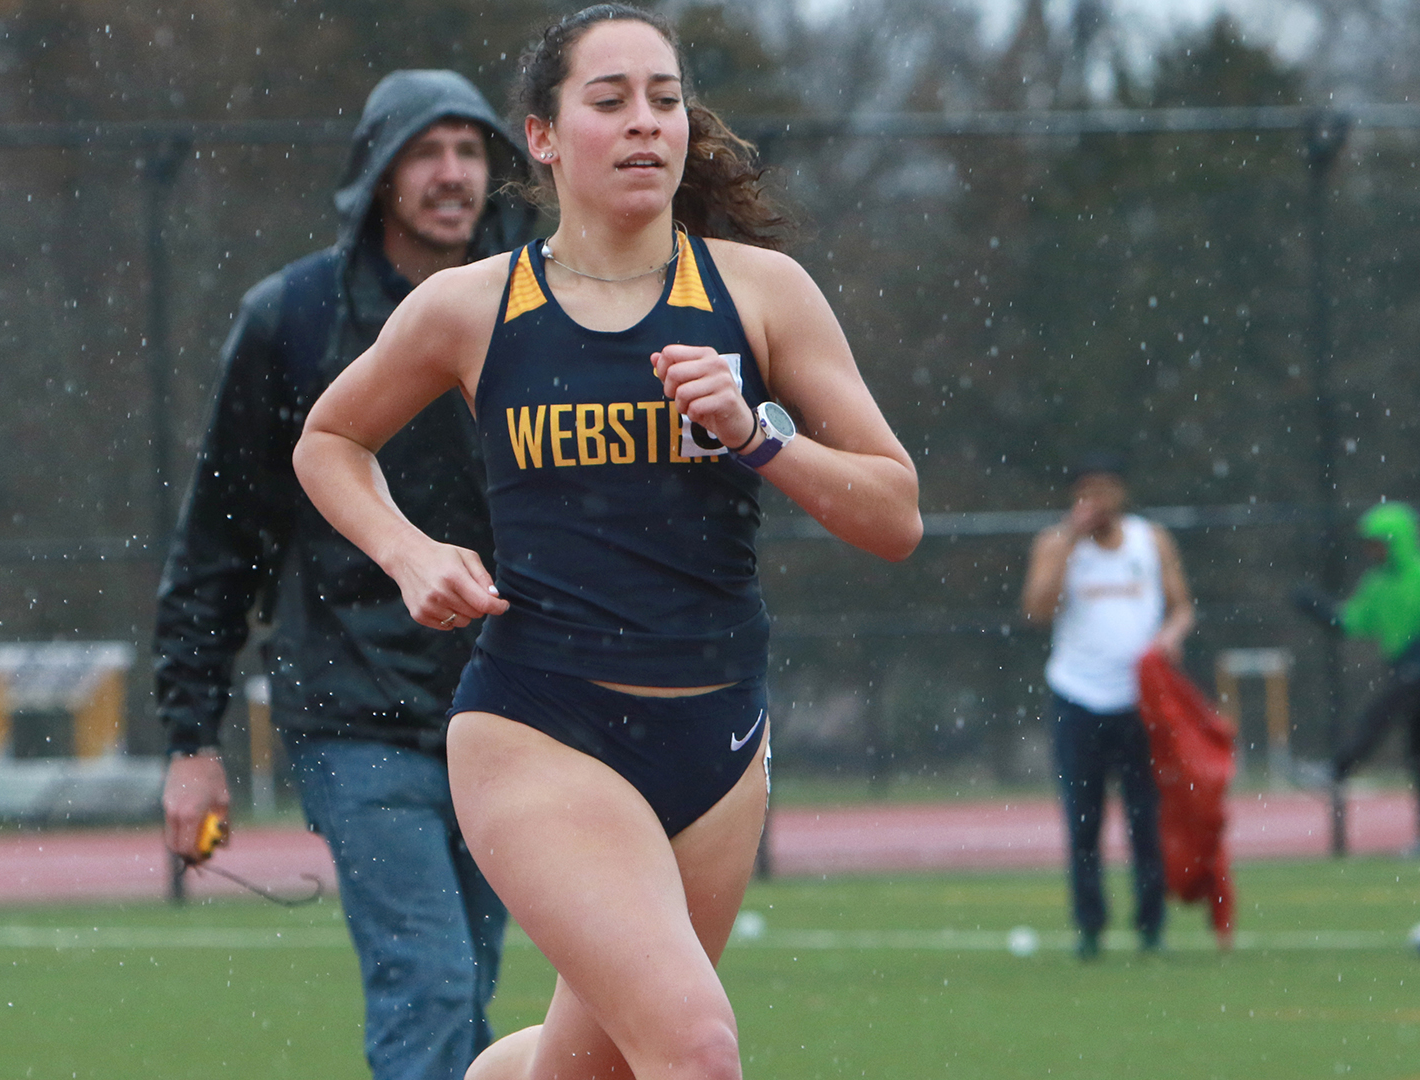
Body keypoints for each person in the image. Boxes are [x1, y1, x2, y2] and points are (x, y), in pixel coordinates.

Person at [291, 7, 923, 1078]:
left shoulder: (760, 294)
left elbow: (895, 513)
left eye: (666, 100)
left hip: (718, 742)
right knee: (695, 1047)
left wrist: (756, 435)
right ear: (541, 137)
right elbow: (329, 440)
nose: (647, 124)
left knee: (597, 1069)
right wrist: (409, 552)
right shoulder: (473, 305)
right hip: (541, 729)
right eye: (611, 100)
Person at [155, 69, 533, 1080]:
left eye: (469, 151)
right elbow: (219, 544)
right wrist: (191, 739)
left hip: (508, 715)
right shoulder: (292, 319)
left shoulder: (536, 305)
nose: (453, 174)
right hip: (355, 720)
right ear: (376, 170)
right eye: (427, 151)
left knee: (472, 989)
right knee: (432, 984)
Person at [1020, 451, 1195, 958]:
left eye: (1105, 490)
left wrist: (1171, 635)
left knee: (1147, 817)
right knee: (1083, 820)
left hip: (1140, 702)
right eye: (1087, 490)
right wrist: (1069, 542)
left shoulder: (1150, 540)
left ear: (1122, 493)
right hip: (1078, 697)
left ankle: (1151, 925)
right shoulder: (1056, 543)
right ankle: (1090, 927)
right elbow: (1036, 609)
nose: (1096, 501)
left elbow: (1182, 606)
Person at [1296, 502, 1420, 856]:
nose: (1371, 551)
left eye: (1378, 543)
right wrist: (1321, 611)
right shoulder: (1376, 583)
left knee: (1385, 709)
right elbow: (1354, 621)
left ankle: (1339, 767)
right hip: (1405, 662)